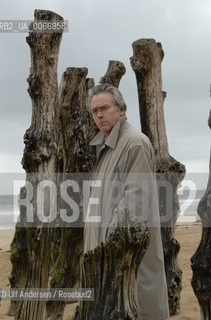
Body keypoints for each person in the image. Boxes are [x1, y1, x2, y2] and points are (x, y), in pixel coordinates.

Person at [84, 83, 169, 320]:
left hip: (125, 262)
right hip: (105, 262)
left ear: (121, 109)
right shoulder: (105, 146)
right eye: (94, 111)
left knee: (139, 310)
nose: (99, 115)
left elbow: (133, 208)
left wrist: (109, 257)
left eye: (104, 108)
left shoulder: (134, 144)